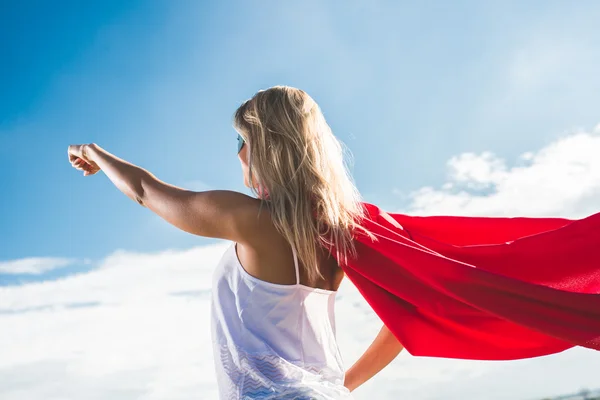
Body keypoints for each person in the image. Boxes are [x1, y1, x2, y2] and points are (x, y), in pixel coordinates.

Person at [67, 86, 404, 399]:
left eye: (239, 139)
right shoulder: (343, 233)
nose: (239, 152)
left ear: (261, 146)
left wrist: (92, 152)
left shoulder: (250, 220)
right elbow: (405, 315)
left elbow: (143, 191)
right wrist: (337, 388)